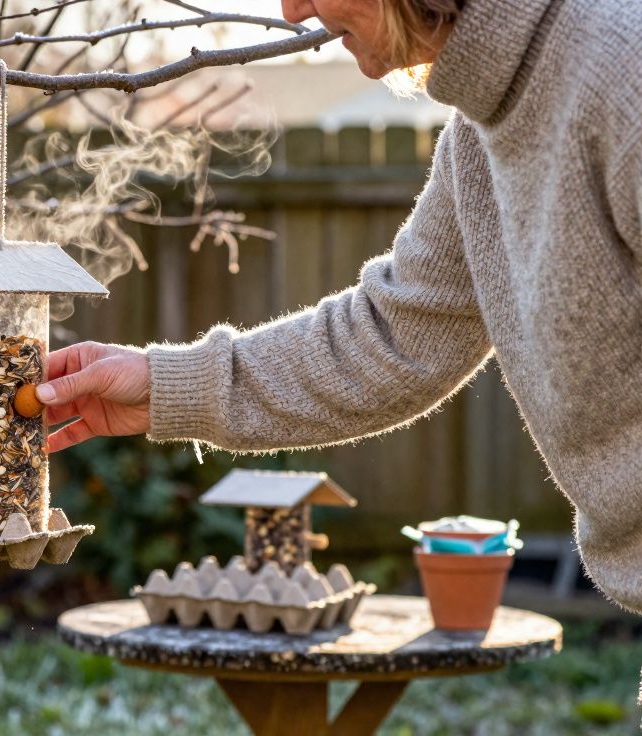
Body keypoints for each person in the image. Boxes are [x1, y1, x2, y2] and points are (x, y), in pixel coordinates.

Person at [37, 0, 642, 613]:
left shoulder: (624, 66)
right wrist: (166, 383)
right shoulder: (479, 136)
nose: (294, 10)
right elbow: (392, 338)